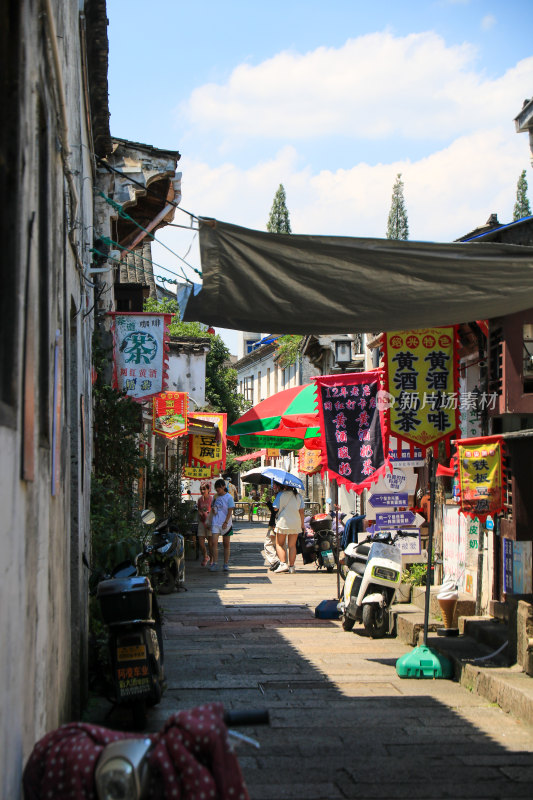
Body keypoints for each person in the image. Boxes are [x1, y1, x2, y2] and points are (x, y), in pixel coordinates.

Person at [272, 481, 303, 574]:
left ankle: (283, 564)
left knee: (279, 544)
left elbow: (275, 508)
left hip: (283, 522)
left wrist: (275, 498)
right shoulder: (298, 496)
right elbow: (301, 511)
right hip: (295, 522)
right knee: (292, 545)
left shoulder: (281, 494)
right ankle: (292, 567)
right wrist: (302, 524)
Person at [207, 478, 235, 572]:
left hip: (226, 524)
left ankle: (226, 563)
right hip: (216, 522)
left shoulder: (229, 497)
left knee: (226, 544)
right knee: (214, 543)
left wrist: (226, 522)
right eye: (216, 488)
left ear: (223, 487)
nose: (217, 490)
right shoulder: (215, 497)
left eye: (219, 488)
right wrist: (213, 512)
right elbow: (212, 508)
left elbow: (230, 511)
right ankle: (215, 563)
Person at [197, 482, 213, 567]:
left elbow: (214, 510)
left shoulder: (212, 499)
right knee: (201, 543)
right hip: (202, 522)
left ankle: (212, 559)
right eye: (201, 489)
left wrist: (208, 513)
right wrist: (200, 513)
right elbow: (199, 509)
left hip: (210, 523)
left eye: (204, 489)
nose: (202, 491)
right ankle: (205, 556)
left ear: (208, 490)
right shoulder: (199, 500)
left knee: (210, 543)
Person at [263, 494, 280, 571]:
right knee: (280, 544)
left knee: (268, 543)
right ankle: (283, 562)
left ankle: (275, 561)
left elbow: (275, 510)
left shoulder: (280, 496)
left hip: (275, 524)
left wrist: (269, 502)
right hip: (285, 523)